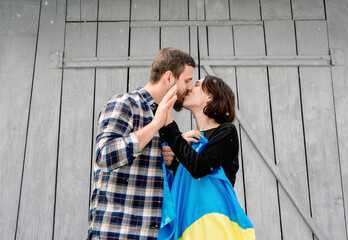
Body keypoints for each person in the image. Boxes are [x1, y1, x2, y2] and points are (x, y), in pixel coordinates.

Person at [88, 47, 195, 240]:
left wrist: (163, 156)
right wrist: (155, 125)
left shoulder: (163, 115)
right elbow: (104, 156)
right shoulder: (125, 103)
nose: (190, 87)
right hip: (117, 233)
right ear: (169, 77)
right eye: (187, 81)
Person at [159, 75, 255, 239]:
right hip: (187, 227)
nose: (189, 88)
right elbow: (183, 183)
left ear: (211, 96)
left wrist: (170, 128)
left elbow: (200, 168)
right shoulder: (188, 143)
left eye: (196, 85)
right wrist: (172, 162)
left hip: (213, 227)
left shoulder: (226, 132)